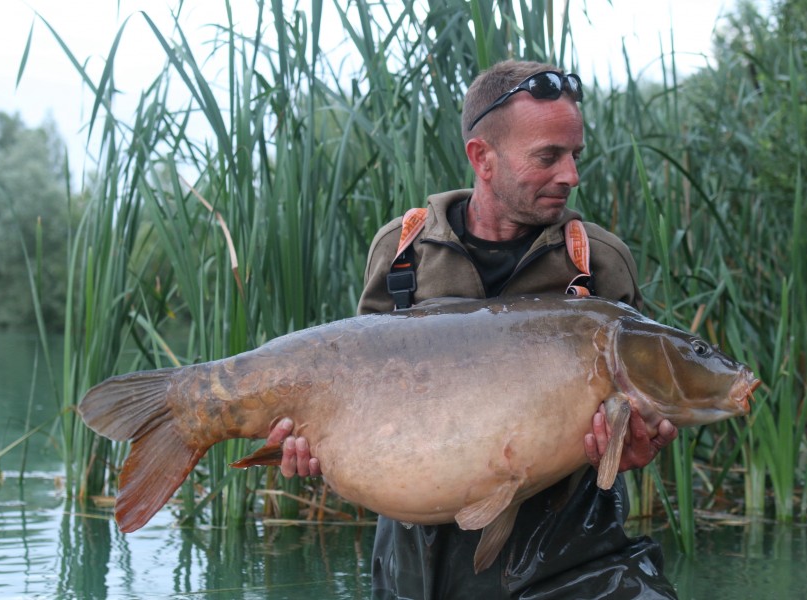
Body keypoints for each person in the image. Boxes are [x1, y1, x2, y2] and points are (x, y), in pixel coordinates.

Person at [267, 59, 679, 599]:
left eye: (575, 155)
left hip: (568, 556)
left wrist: (637, 442)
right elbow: (356, 390)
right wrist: (309, 443)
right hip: (420, 552)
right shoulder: (402, 252)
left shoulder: (598, 261)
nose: (571, 176)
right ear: (482, 158)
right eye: (548, 157)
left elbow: (638, 409)